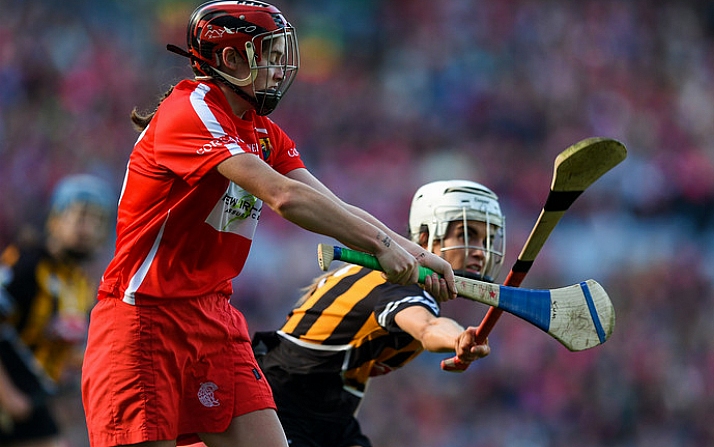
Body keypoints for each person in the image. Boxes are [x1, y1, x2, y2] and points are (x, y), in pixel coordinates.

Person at [79, 2, 457, 447]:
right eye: (268, 55)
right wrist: (380, 247)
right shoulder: (190, 112)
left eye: (280, 56)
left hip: (213, 316)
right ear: (229, 59)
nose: (280, 69)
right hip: (144, 317)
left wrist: (416, 253)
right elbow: (286, 197)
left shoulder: (260, 130)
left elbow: (331, 204)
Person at [254, 179, 502, 447]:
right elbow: (427, 326)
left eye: (487, 239)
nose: (480, 251)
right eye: (466, 234)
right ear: (424, 237)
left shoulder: (410, 284)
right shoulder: (399, 283)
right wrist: (457, 340)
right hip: (280, 404)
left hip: (331, 419)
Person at [0, 174, 115, 447]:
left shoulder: (80, 284)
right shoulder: (27, 265)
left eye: (98, 222)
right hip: (10, 397)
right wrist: (6, 395)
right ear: (55, 219)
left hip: (30, 399)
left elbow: (64, 348)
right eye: (81, 217)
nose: (88, 229)